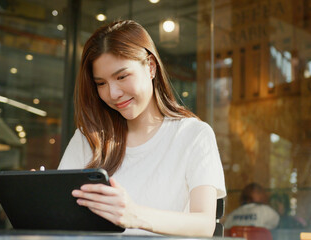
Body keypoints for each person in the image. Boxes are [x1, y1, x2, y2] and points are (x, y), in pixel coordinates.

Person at [58, 20, 226, 237]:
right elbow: (60, 218)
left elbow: (204, 224)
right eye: (101, 83)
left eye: (121, 77)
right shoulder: (87, 138)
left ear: (150, 67)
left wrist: (134, 215)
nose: (113, 93)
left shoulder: (193, 135)